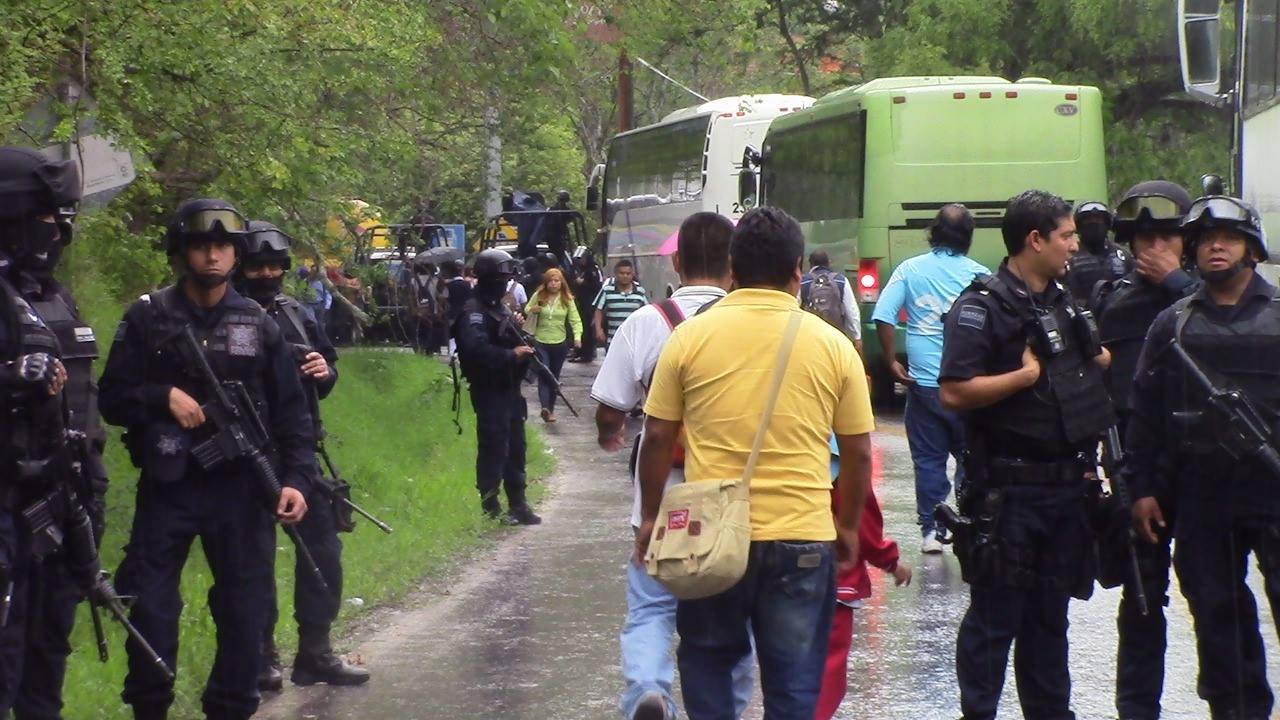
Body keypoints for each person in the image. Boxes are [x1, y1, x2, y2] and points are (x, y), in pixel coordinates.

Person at [636, 207, 874, 719]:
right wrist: (848, 526)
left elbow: (656, 436)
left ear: (733, 270)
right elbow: (856, 451)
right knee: (793, 685)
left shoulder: (690, 338)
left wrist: (653, 517)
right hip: (803, 536)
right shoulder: (833, 346)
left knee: (708, 661)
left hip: (712, 536)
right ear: (796, 272)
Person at [99, 198, 314, 720]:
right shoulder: (148, 316)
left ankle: (232, 707)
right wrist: (161, 398)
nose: (212, 257)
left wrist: (297, 481)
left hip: (241, 489)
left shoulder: (259, 324)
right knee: (150, 607)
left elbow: (291, 415)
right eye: (201, 246)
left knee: (245, 609)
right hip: (169, 486)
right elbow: (110, 398)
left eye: (222, 246)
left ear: (236, 254)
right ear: (182, 252)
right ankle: (150, 707)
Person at [939, 189, 1114, 720]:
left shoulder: (1063, 300)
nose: (1073, 245)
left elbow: (1092, 361)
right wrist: (1022, 377)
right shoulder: (981, 307)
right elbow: (953, 391)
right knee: (995, 622)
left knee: (1048, 621)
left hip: (1064, 491)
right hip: (1008, 494)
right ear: (1033, 240)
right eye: (1064, 236)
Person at [591, 212, 753, 720]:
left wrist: (610, 434)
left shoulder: (646, 320)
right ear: (734, 265)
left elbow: (611, 409)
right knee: (734, 616)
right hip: (733, 491)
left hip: (665, 488)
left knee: (651, 605)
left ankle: (647, 690)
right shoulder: (752, 322)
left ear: (678, 262)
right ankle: (726, 706)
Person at [1125, 195, 1280, 720]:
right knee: (1218, 620)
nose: (1216, 247)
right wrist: (1142, 488)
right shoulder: (1173, 325)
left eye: (1229, 238)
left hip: (1273, 491)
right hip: (1204, 496)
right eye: (1206, 240)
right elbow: (1144, 412)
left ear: (1253, 250)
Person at [236, 221, 369, 692]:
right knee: (252, 560)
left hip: (300, 450)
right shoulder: (224, 317)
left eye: (274, 265)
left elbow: (329, 370)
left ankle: (315, 651)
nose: (267, 273)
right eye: (257, 266)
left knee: (323, 553)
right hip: (246, 452)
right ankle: (259, 654)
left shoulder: (297, 312)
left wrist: (320, 369)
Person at [1092, 181, 1196, 720]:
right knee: (1140, 601)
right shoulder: (1115, 302)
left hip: (1205, 473)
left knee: (1217, 599)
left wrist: (1177, 281)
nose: (1150, 248)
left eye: (1164, 236)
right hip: (1139, 468)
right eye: (1140, 237)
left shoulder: (1209, 294)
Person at [0, 147, 83, 717]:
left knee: (41, 654)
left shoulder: (46, 300)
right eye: (45, 219)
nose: (56, 233)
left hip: (45, 500)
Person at [870, 204, 986, 553]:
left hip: (924, 384)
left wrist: (891, 360)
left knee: (929, 459)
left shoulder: (910, 269)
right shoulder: (980, 276)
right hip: (969, 386)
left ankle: (933, 530)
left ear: (934, 234)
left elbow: (884, 316)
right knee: (971, 456)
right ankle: (971, 519)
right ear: (968, 238)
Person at [816, 436, 911, 720]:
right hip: (833, 577)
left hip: (771, 566)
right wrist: (890, 562)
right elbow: (862, 525)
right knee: (827, 672)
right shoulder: (842, 449)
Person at [452, 248, 542, 526]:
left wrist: (520, 338)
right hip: (489, 391)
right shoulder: (473, 312)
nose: (506, 284)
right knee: (494, 447)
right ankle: (490, 505)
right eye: (502, 279)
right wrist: (511, 354)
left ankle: (518, 503)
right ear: (489, 278)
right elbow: (475, 351)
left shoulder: (498, 307)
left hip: (510, 389)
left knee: (517, 446)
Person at [523, 267, 582, 423]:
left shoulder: (567, 299)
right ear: (546, 282)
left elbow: (575, 320)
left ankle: (551, 408)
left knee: (554, 376)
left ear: (561, 282)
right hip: (541, 341)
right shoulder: (539, 295)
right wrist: (533, 309)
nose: (554, 284)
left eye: (557, 281)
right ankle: (545, 407)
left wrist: (577, 337)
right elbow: (527, 308)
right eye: (551, 281)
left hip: (559, 343)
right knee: (544, 373)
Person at [1064, 201, 1132, 310]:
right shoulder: (1068, 256)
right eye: (1088, 220)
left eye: (1098, 220)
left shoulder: (1123, 256)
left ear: (1107, 224)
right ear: (1079, 226)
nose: (1094, 223)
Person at [800, 249, 862, 351]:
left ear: (810, 264)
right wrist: (857, 337)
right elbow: (851, 311)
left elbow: (795, 306)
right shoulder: (841, 280)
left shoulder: (803, 281)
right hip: (836, 336)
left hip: (810, 336)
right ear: (829, 262)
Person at [594, 259, 648, 349]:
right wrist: (598, 329)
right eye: (622, 273)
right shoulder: (607, 290)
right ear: (616, 274)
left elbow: (646, 312)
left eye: (628, 273)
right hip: (613, 340)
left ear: (632, 274)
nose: (625, 276)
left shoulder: (639, 291)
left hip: (634, 342)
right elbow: (598, 310)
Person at [570, 251, 604, 362]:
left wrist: (582, 283)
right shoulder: (583, 270)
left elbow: (596, 285)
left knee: (588, 329)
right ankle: (582, 351)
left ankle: (587, 353)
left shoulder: (592, 270)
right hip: (583, 302)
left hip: (589, 304)